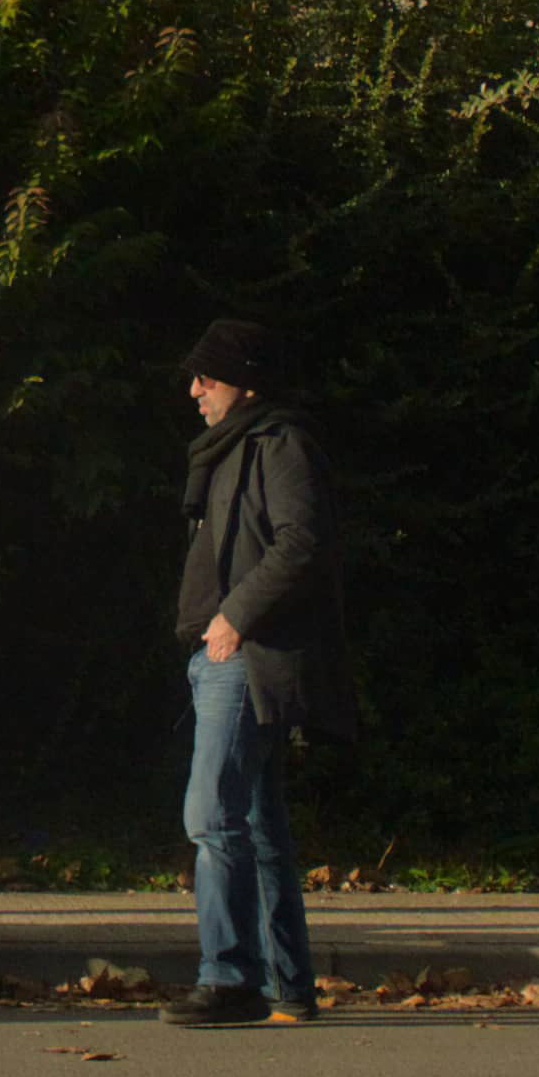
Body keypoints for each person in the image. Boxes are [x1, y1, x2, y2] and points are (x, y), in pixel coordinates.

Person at [163, 317, 356, 1027]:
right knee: (254, 820)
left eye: (206, 378)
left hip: (246, 655)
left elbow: (301, 541)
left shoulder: (279, 443)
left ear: (245, 382)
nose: (194, 391)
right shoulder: (231, 446)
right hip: (223, 652)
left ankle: (229, 978)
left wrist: (235, 616)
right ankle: (287, 985)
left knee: (211, 814)